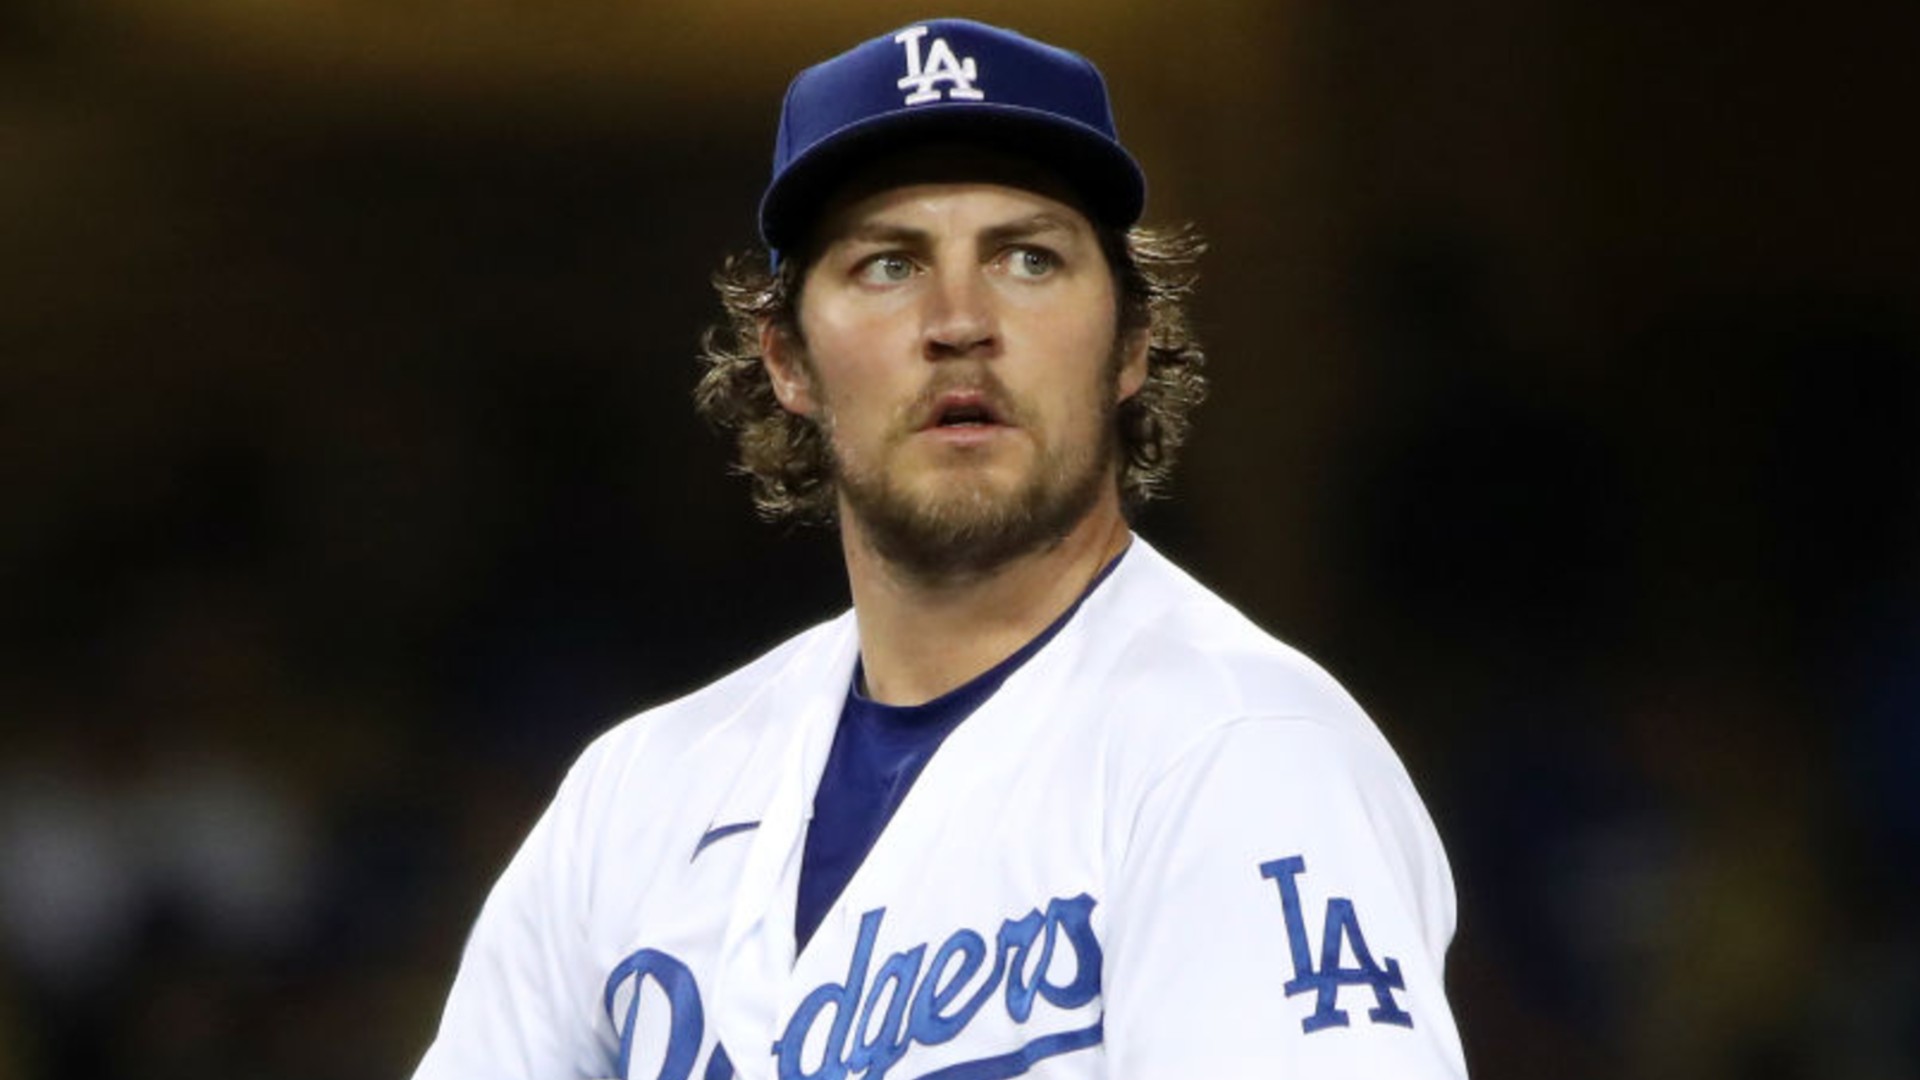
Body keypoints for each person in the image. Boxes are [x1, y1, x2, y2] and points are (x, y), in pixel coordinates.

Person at [411, 17, 1466, 1080]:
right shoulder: (635, 799)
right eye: (886, 264)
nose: (959, 320)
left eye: (1028, 257)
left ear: (1130, 345)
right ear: (787, 360)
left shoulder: (1243, 752)